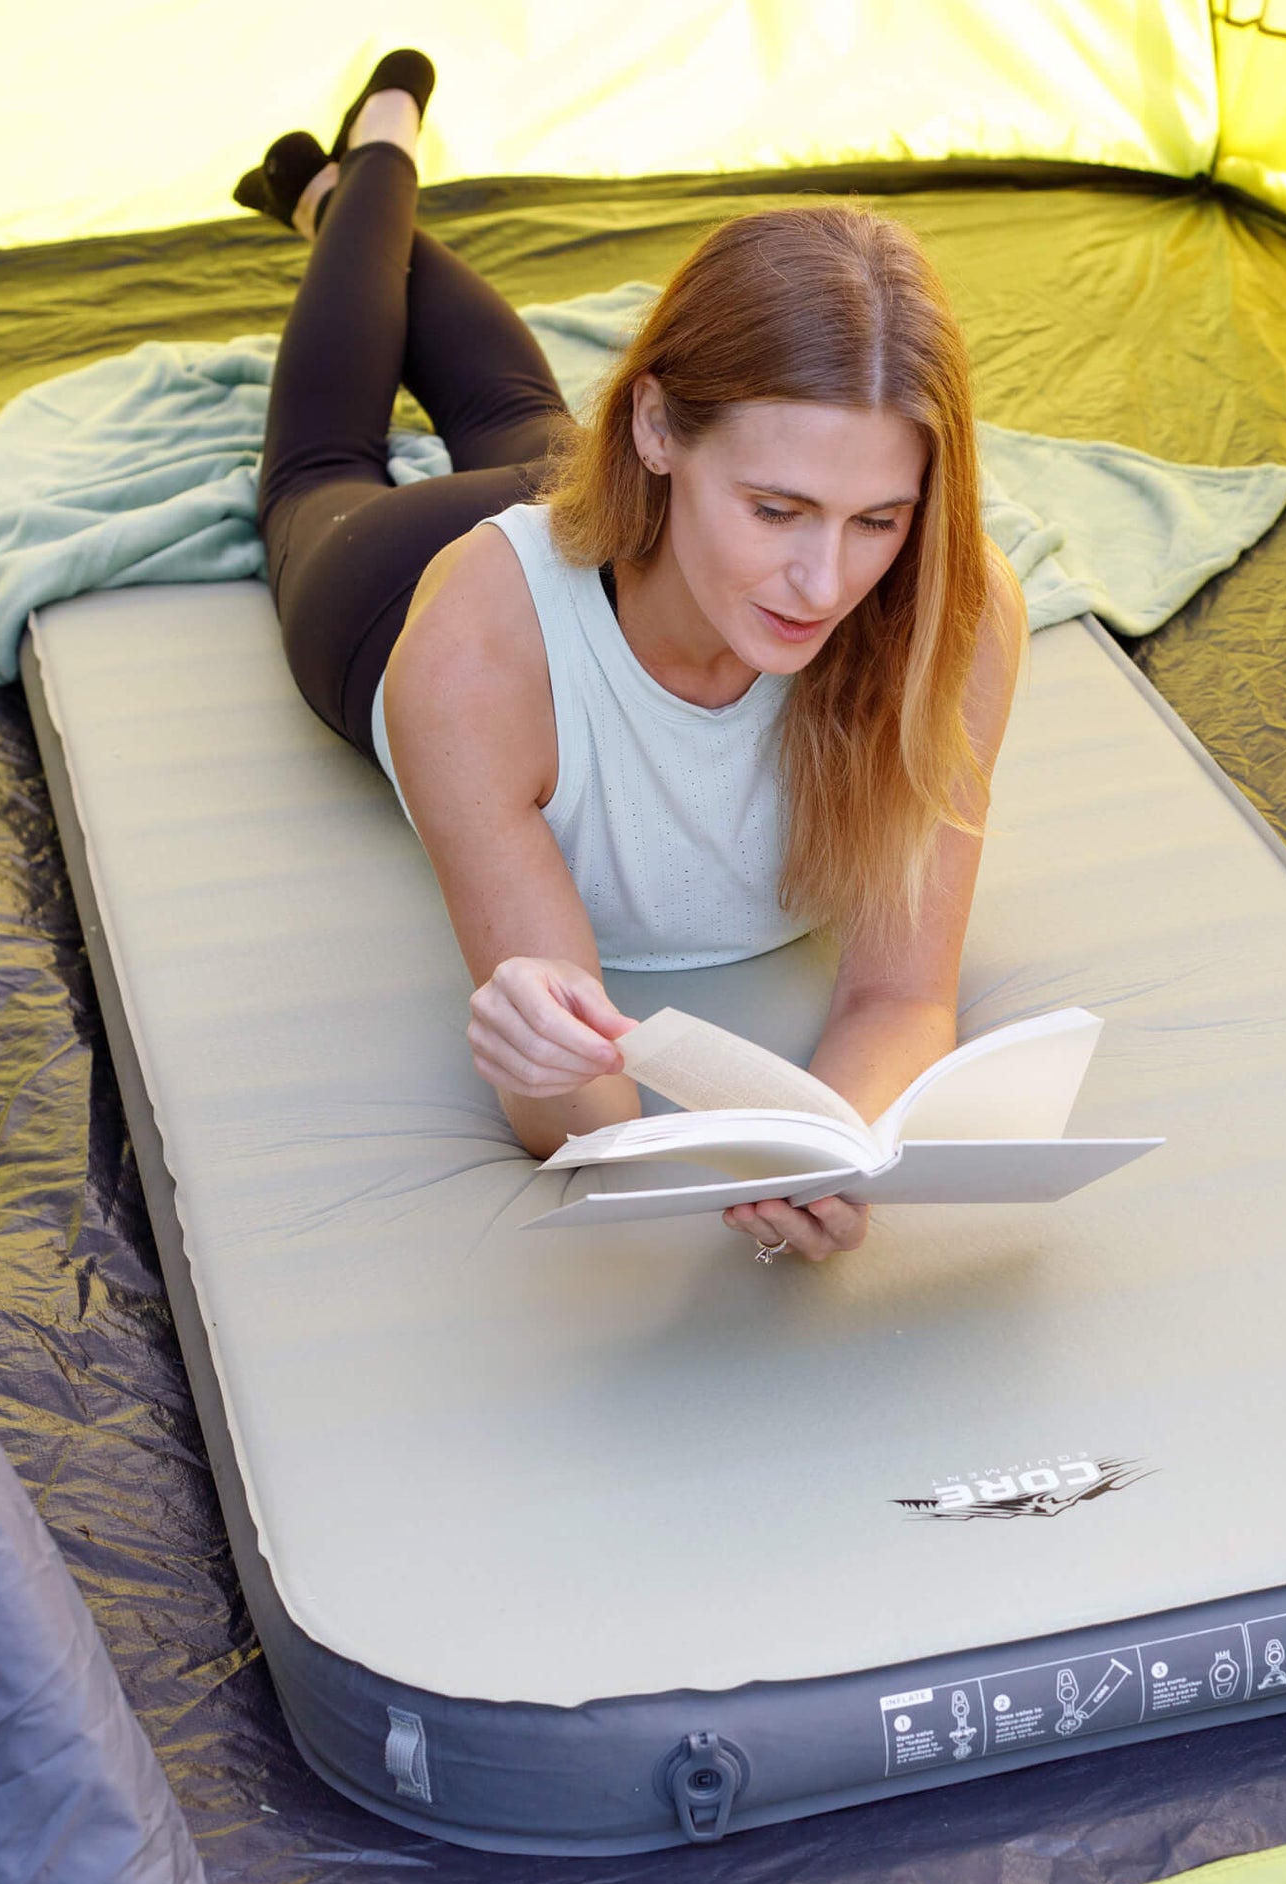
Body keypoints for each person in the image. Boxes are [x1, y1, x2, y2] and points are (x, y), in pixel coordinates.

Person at [237, 53, 1026, 1263]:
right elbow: (580, 1117)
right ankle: (364, 174)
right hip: (391, 578)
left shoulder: (948, 615)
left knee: (517, 417)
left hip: (637, 537)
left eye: (877, 517)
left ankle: (337, 181)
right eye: (777, 509)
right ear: (656, 428)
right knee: (317, 473)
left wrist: (821, 1143)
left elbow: (903, 997)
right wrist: (537, 1056)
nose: (827, 583)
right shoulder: (473, 644)